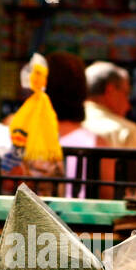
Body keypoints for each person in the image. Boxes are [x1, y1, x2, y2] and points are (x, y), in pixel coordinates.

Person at [83, 61, 136, 190]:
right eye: (126, 94)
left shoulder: (67, 127)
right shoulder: (127, 132)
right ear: (110, 90)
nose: (128, 105)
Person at [46, 51, 112, 198]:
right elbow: (109, 195)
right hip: (76, 221)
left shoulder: (17, 133)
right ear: (82, 91)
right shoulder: (97, 144)